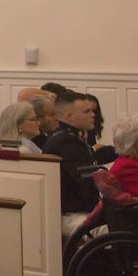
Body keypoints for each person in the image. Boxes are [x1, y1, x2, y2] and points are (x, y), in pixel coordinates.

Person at [46, 91, 106, 219]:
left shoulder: (66, 136)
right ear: (70, 117)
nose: (93, 115)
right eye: (87, 112)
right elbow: (85, 185)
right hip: (73, 214)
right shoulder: (67, 142)